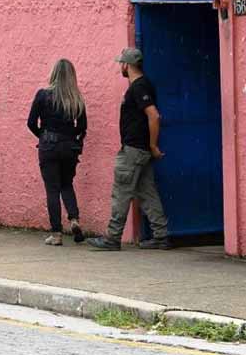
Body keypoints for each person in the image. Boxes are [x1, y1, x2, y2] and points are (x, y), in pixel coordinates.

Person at [87, 48, 170, 251]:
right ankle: (161, 236)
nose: (120, 67)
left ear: (127, 65)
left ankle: (112, 238)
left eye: (121, 64)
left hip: (134, 149)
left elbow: (154, 116)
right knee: (147, 192)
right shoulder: (144, 85)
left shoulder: (138, 88)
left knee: (121, 192)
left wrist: (153, 146)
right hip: (141, 151)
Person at [27, 59, 87, 246]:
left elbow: (31, 123)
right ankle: (74, 219)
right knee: (66, 184)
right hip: (69, 147)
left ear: (53, 73)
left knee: (52, 189)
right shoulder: (76, 98)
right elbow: (83, 127)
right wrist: (69, 136)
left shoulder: (43, 95)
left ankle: (56, 233)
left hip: (49, 146)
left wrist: (43, 136)